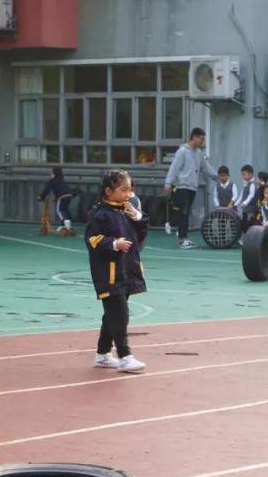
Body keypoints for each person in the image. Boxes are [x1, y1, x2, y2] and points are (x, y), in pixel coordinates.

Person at [85, 169, 149, 374]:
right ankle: (125, 356)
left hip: (127, 271)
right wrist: (113, 243)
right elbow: (92, 239)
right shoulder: (100, 214)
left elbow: (141, 235)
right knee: (120, 314)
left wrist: (138, 217)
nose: (127, 194)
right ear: (108, 191)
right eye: (123, 190)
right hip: (109, 273)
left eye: (129, 190)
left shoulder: (126, 210)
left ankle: (103, 355)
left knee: (111, 315)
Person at [163, 127, 216, 249]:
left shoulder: (199, 153)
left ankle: (184, 237)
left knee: (186, 213)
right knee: (183, 212)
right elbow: (174, 168)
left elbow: (205, 167)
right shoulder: (182, 151)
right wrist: (168, 183)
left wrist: (217, 178)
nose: (202, 142)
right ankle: (182, 239)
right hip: (182, 186)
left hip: (192, 187)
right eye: (201, 139)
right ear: (194, 137)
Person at [39, 166, 74, 234]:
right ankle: (66, 226)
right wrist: (56, 200)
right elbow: (61, 189)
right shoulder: (62, 180)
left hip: (62, 197)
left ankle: (66, 223)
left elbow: (46, 191)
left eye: (51, 173)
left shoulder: (52, 181)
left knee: (59, 210)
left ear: (54, 174)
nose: (50, 174)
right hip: (69, 196)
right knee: (65, 210)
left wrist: (41, 197)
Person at [236, 164, 258, 231]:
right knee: (244, 224)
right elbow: (241, 194)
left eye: (244, 174)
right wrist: (236, 203)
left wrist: (245, 203)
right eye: (242, 174)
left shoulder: (253, 184)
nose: (243, 176)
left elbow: (251, 195)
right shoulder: (246, 183)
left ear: (250, 174)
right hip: (245, 209)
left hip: (251, 210)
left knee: (250, 225)